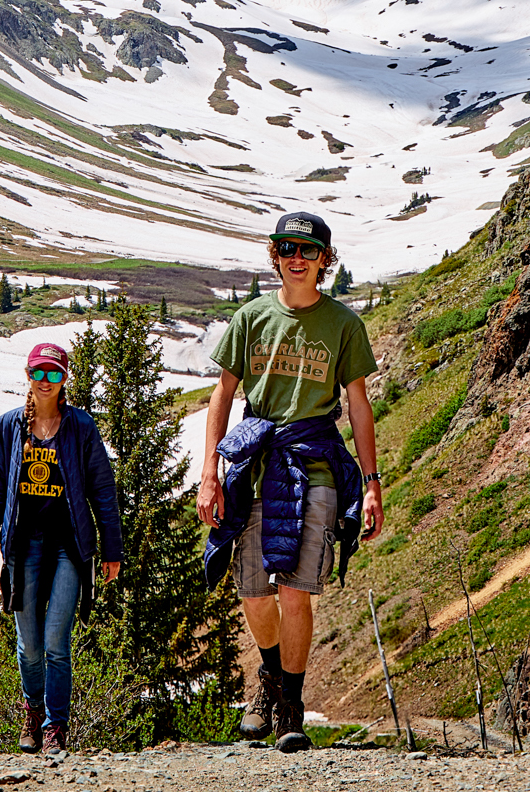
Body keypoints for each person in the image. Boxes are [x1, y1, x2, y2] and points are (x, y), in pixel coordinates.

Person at [199, 212, 384, 753]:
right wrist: (209, 471)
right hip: (255, 465)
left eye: (306, 249)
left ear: (324, 259)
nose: (295, 257)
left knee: (296, 591)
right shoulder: (251, 317)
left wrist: (371, 484)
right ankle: (270, 676)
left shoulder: (344, 325)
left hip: (316, 464)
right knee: (255, 594)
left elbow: (359, 406)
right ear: (275, 255)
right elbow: (222, 394)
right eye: (285, 247)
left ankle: (291, 706)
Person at [0, 341, 123, 754]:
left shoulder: (80, 427)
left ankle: (56, 727)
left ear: (65, 380)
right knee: (29, 643)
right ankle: (33, 715)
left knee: (58, 641)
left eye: (54, 374)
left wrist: (111, 549)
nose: (45, 381)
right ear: (28, 375)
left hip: (69, 546)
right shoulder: (9, 427)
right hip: (22, 547)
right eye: (39, 373)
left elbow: (102, 491)